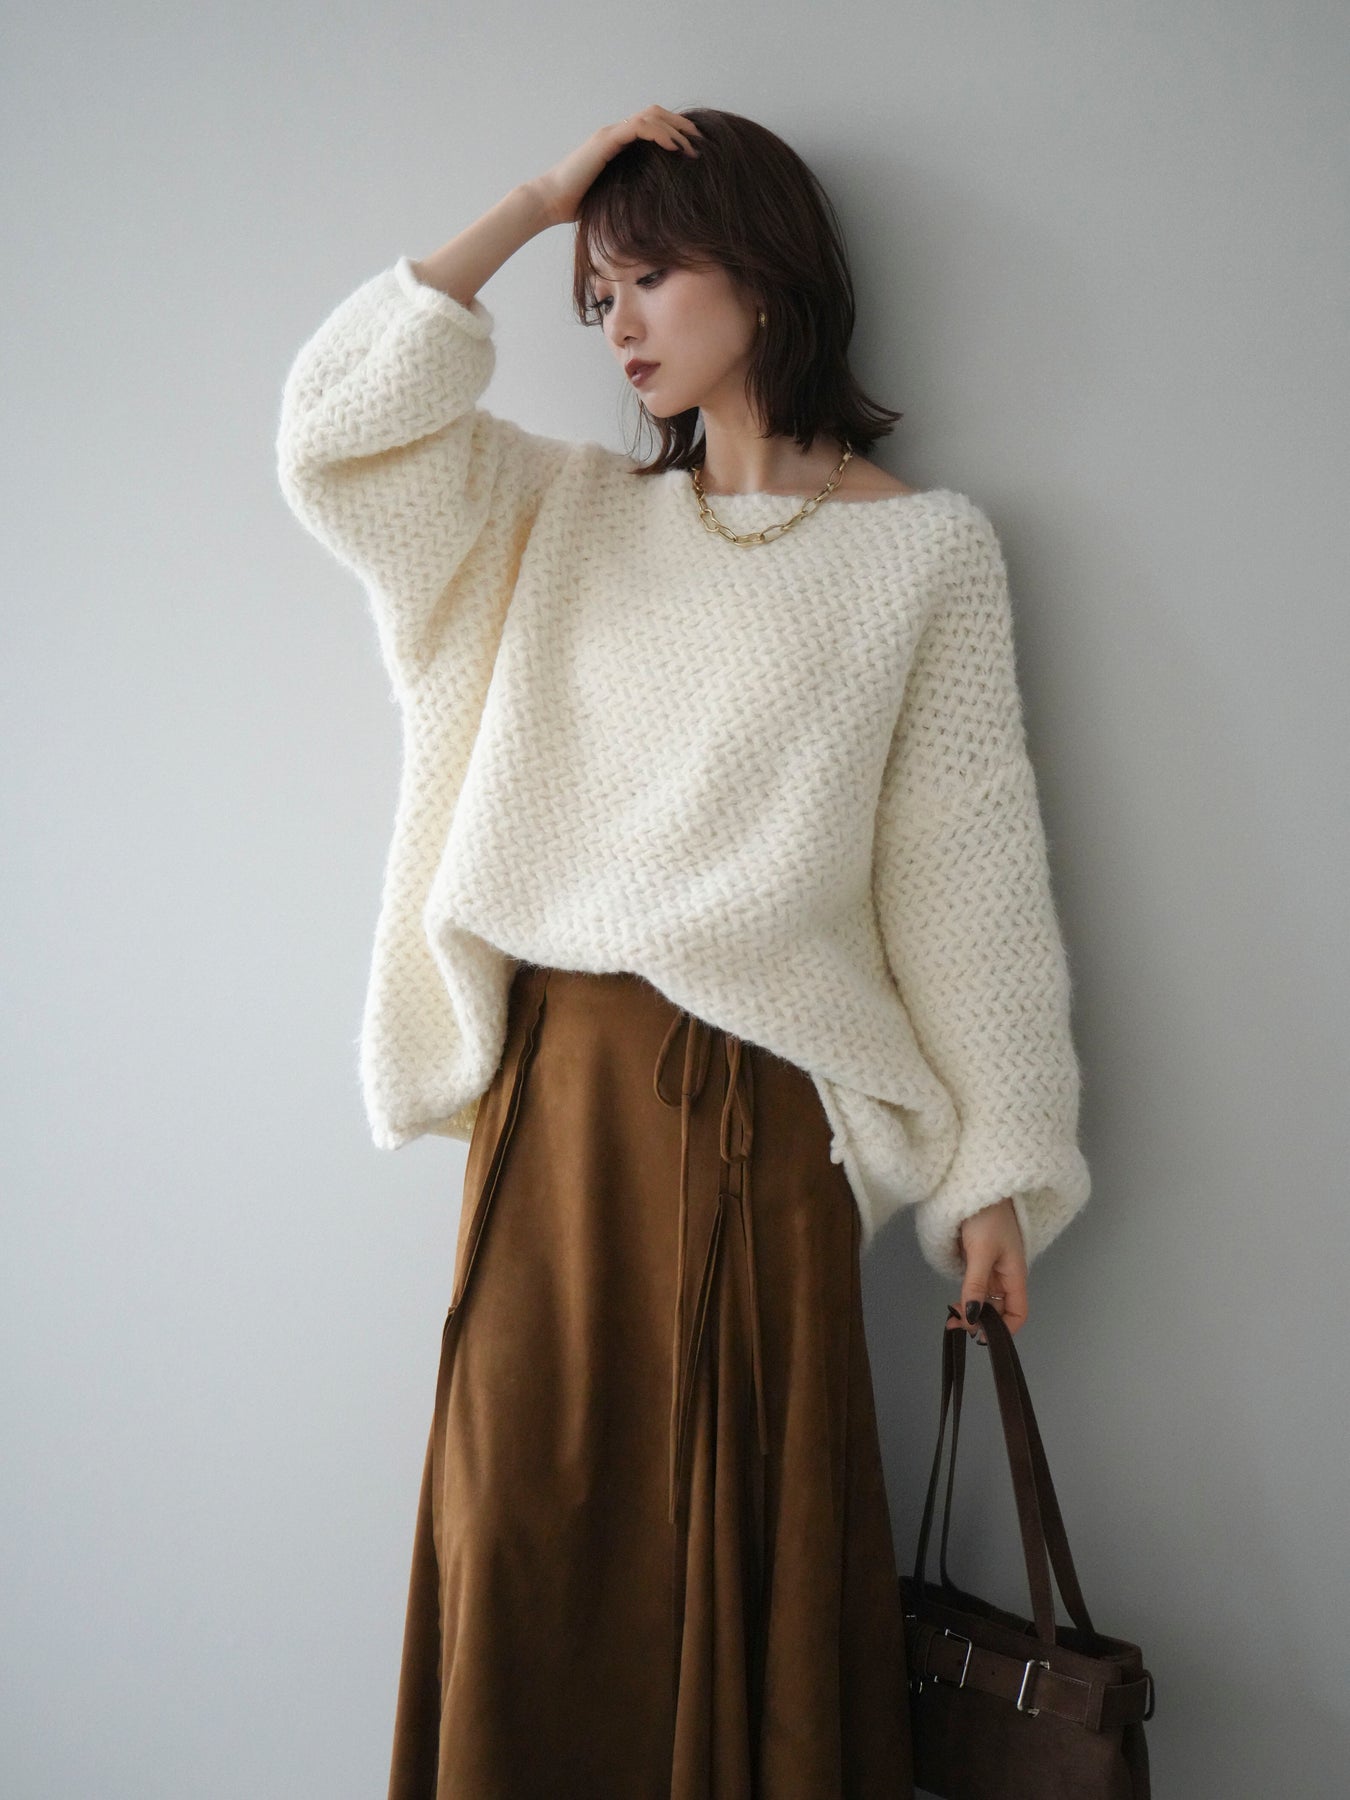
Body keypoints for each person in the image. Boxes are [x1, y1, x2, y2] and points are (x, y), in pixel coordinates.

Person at [275, 103, 1091, 1799]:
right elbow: (332, 438)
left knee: (744, 1555)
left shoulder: (923, 553)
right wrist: (535, 202)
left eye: (648, 277)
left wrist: (997, 1171)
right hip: (556, 1120)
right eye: (597, 296)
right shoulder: (553, 511)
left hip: (759, 1128)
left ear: (765, 274)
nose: (617, 326)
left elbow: (966, 876)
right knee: (516, 1529)